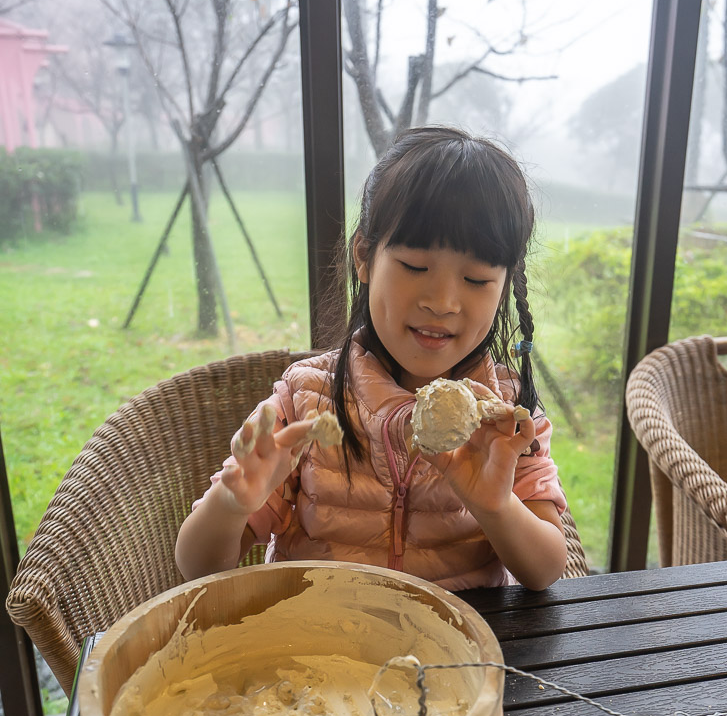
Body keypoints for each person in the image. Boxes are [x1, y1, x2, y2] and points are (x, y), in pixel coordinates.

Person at [176, 125, 567, 591]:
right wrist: (232, 504)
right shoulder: (306, 400)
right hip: (320, 642)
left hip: (452, 653)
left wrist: (495, 506)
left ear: (504, 285)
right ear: (364, 256)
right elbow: (198, 567)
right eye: (415, 267)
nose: (442, 301)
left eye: (477, 279)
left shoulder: (508, 416)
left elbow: (545, 572)